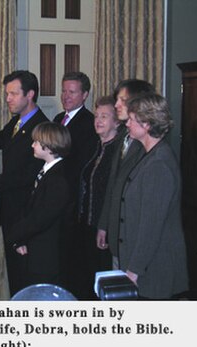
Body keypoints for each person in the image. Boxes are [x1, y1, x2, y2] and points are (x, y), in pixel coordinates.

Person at [0, 70, 49, 296]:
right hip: (13, 213)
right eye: (7, 94)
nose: (8, 99)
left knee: (26, 279)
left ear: (30, 94)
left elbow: (26, 176)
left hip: (28, 216)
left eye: (13, 93)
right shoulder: (18, 121)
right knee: (15, 277)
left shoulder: (41, 127)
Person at [119, 93, 188, 299]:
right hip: (148, 263)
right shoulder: (149, 155)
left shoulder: (159, 164)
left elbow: (151, 225)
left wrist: (134, 270)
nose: (127, 124)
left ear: (147, 124)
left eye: (131, 119)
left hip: (155, 267)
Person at [97, 79, 155, 269]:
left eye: (122, 100)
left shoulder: (148, 145)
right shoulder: (123, 136)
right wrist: (104, 224)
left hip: (133, 238)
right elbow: (114, 186)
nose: (116, 105)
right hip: (117, 234)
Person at [7, 121, 71, 289]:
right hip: (37, 249)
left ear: (49, 148)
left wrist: (16, 236)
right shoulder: (46, 171)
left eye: (36, 141)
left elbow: (40, 218)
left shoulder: (58, 179)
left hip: (47, 254)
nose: (32, 144)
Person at [76, 96, 121, 299]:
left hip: (105, 228)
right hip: (86, 223)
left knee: (104, 282)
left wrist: (105, 226)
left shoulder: (119, 151)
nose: (98, 120)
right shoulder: (94, 146)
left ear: (117, 121)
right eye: (96, 116)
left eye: (104, 116)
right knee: (86, 278)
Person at [53, 71, 97, 196]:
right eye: (63, 91)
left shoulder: (89, 123)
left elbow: (82, 161)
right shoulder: (58, 118)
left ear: (85, 95)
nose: (66, 96)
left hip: (70, 189)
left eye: (72, 92)